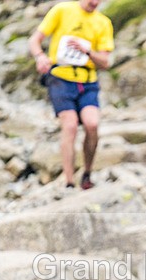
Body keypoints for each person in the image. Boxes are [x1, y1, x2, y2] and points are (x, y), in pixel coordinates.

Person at [28, 0, 114, 190]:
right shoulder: (62, 10)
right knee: (70, 125)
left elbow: (106, 61)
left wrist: (88, 51)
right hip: (60, 79)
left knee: (92, 124)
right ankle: (68, 181)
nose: (94, 2)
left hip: (87, 81)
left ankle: (87, 173)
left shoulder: (103, 22)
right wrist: (40, 57)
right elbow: (34, 40)